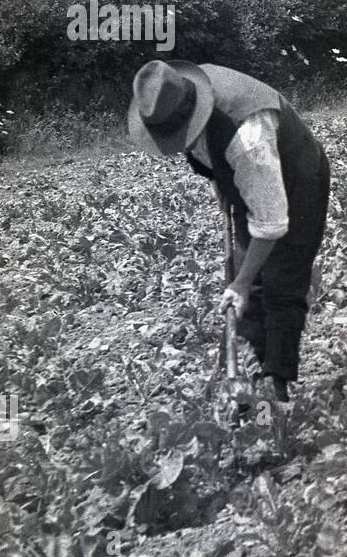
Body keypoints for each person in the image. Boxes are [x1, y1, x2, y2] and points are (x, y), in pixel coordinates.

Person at [128, 60, 331, 401]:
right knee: (248, 278)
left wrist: (240, 283)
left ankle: (274, 385)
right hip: (250, 177)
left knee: (280, 282)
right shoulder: (179, 96)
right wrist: (222, 185)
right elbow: (208, 153)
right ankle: (254, 366)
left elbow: (271, 222)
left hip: (298, 177)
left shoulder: (247, 136)